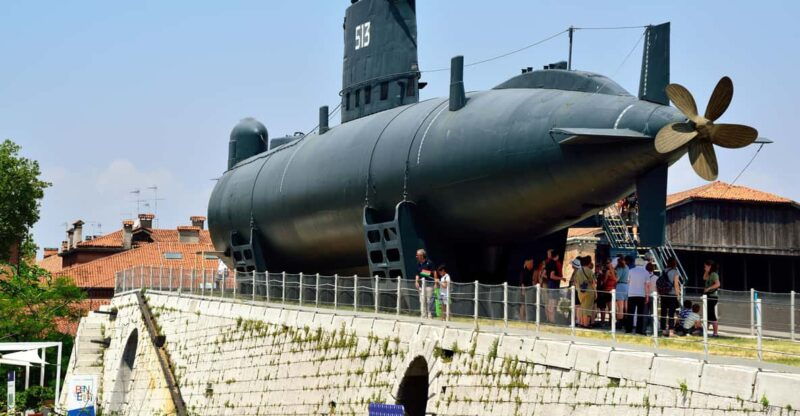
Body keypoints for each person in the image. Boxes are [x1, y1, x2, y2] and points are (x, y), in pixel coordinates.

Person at [625, 256, 651, 335]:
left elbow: (628, 282)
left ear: (635, 263)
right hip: (641, 295)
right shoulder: (646, 272)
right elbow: (647, 286)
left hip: (631, 294)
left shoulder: (630, 271)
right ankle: (639, 330)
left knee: (630, 313)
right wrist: (647, 296)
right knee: (640, 314)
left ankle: (628, 330)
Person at [658, 257, 682, 336]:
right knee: (671, 313)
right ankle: (671, 331)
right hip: (672, 294)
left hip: (664, 294)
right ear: (675, 263)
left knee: (663, 312)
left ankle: (664, 330)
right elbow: (676, 284)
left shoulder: (663, 271)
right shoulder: (675, 272)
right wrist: (678, 294)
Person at [574, 255, 597, 328]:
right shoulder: (590, 271)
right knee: (588, 308)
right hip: (589, 292)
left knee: (583, 307)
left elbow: (575, 282)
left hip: (580, 292)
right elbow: (593, 283)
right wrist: (595, 292)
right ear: (588, 262)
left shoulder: (578, 271)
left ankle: (582, 323)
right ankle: (586, 324)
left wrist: (578, 290)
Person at [544, 249, 566, 323]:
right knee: (553, 303)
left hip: (549, 284)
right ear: (557, 256)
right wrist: (561, 278)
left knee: (550, 303)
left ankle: (549, 319)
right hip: (553, 285)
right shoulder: (553, 264)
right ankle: (552, 320)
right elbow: (552, 276)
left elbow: (545, 275)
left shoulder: (547, 263)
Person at [414, 249, 437, 318]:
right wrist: (416, 281)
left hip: (429, 284)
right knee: (422, 300)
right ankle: (423, 315)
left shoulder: (429, 263)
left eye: (417, 255)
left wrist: (436, 283)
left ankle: (430, 315)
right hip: (421, 285)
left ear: (422, 255)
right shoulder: (418, 264)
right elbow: (417, 274)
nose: (416, 256)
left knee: (429, 300)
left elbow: (434, 272)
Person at [596, 258, 618, 326]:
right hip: (611, 290)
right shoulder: (615, 271)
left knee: (603, 307)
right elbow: (616, 281)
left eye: (607, 263)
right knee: (610, 308)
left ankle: (603, 322)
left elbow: (604, 281)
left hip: (605, 291)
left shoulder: (608, 272)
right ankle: (611, 322)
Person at [703, 259, 721, 336]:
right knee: (708, 314)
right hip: (708, 296)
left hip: (712, 296)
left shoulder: (714, 274)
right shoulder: (709, 274)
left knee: (711, 314)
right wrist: (706, 271)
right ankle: (705, 332)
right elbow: (704, 278)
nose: (704, 268)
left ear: (709, 266)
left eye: (705, 266)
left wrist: (709, 288)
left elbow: (718, 284)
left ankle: (715, 333)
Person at [614, 256, 629, 326]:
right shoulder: (627, 267)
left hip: (620, 286)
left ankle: (620, 322)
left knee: (620, 306)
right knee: (626, 306)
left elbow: (616, 279)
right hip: (626, 286)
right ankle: (626, 321)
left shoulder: (620, 268)